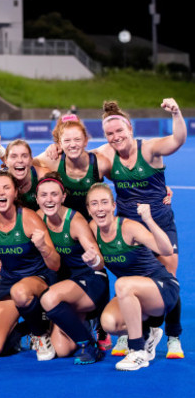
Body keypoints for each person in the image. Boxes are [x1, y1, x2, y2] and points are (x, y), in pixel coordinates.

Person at [94, 99, 186, 359]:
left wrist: (177, 113)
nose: (115, 137)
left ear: (130, 130)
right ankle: (134, 328)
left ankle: (173, 336)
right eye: (109, 134)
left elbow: (177, 139)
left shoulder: (149, 149)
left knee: (167, 275)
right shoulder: (106, 155)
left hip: (160, 222)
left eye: (119, 131)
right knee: (131, 274)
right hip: (129, 226)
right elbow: (79, 163)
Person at [0, 169, 60, 360]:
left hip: (39, 279)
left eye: (6, 188)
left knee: (20, 291)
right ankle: (21, 330)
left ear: (15, 193)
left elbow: (55, 264)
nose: (1, 192)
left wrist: (43, 247)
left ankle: (40, 334)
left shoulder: (29, 218)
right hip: (9, 283)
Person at [87, 183, 177, 370]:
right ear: (88, 209)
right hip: (132, 294)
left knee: (122, 284)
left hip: (161, 288)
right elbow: (99, 263)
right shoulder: (93, 229)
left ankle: (138, 351)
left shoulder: (129, 228)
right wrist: (92, 262)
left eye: (104, 202)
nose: (100, 208)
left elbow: (167, 250)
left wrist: (149, 219)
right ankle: (147, 333)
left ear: (113, 206)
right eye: (94, 204)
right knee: (109, 322)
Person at [35, 172, 110, 364]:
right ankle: (83, 322)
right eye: (44, 195)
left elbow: (99, 262)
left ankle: (89, 345)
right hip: (67, 286)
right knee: (61, 349)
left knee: (49, 297)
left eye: (54, 194)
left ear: (63, 197)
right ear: (37, 198)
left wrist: (92, 259)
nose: (49, 200)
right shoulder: (36, 219)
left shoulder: (75, 221)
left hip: (90, 281)